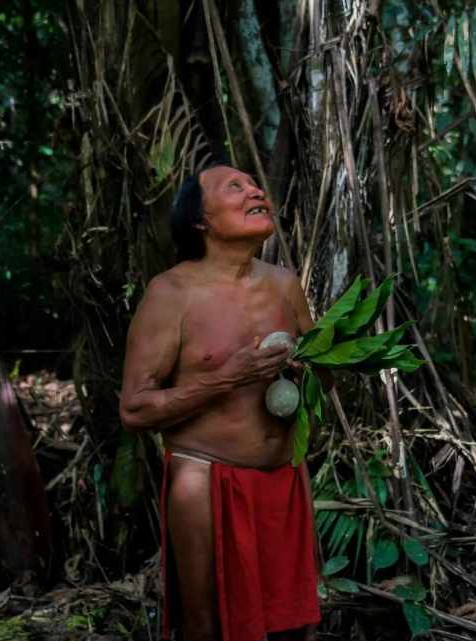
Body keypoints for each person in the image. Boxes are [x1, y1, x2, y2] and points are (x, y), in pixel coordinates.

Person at [119, 165, 323, 641]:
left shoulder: (284, 285)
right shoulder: (171, 294)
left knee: (292, 628)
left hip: (284, 481)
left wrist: (310, 371)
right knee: (207, 629)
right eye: (237, 187)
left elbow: (324, 383)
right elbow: (134, 409)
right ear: (201, 221)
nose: (256, 191)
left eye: (256, 184)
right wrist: (223, 380)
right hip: (205, 481)